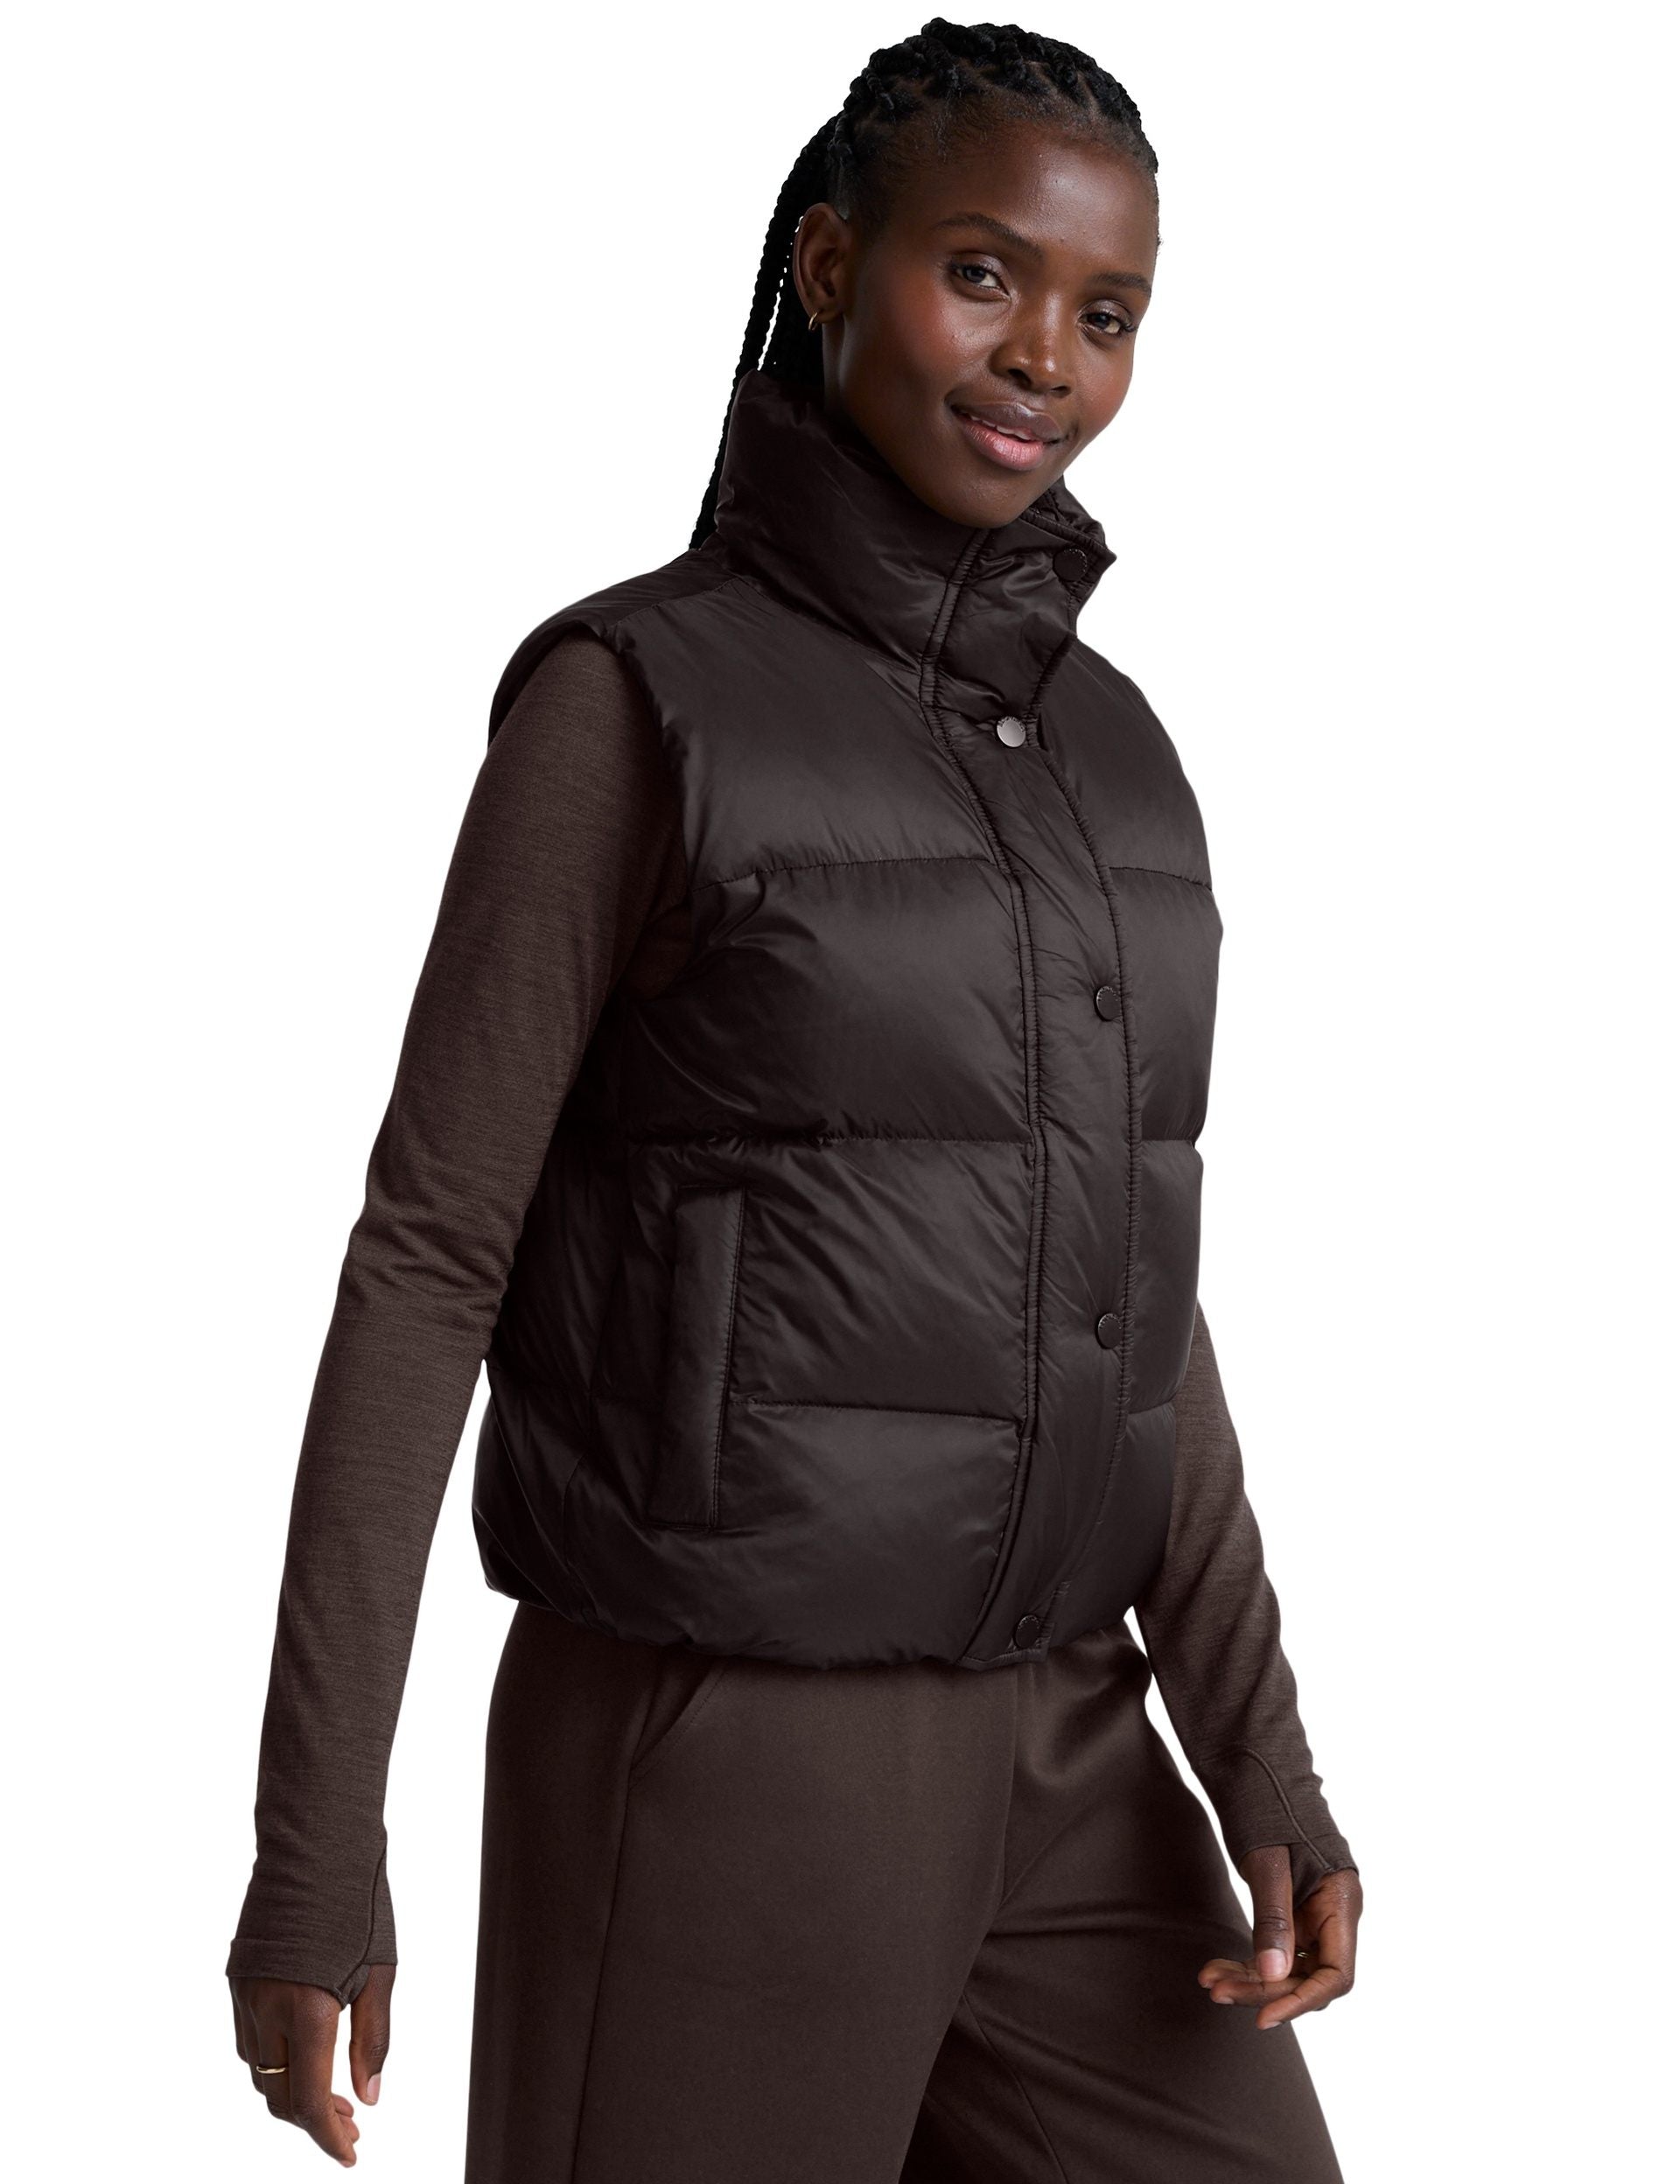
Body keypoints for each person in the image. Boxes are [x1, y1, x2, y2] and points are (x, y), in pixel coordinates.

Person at [227, 18, 1362, 2180]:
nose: (1044, 358)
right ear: (832, 268)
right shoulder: (633, 703)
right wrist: (315, 1845)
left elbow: (1129, 1288)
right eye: (983, 274)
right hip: (721, 1745)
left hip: (1071, 1743)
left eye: (1108, 311)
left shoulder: (1117, 757)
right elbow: (431, 1259)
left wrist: (1260, 1751)